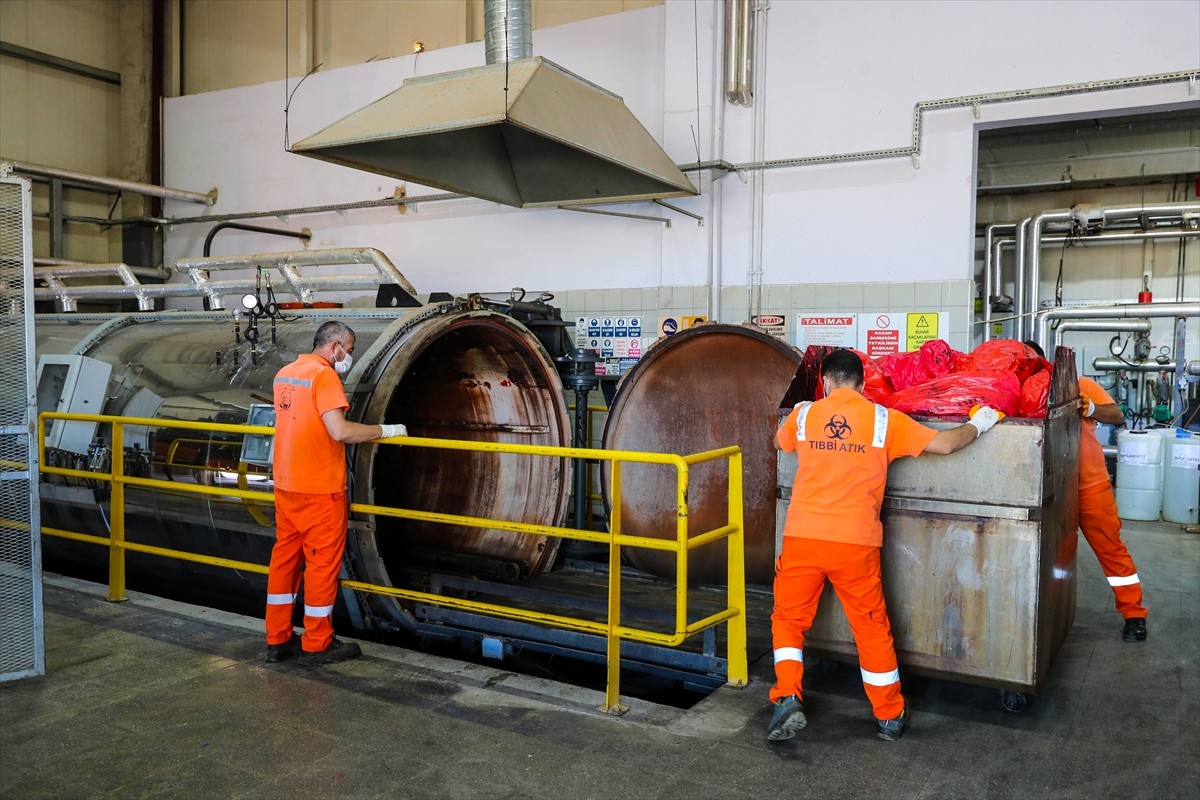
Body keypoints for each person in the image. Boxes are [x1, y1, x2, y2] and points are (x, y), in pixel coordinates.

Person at [768, 348, 1001, 743]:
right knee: (870, 628)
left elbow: (778, 443)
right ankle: (889, 715)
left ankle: (787, 696)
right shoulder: (882, 420)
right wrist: (979, 424)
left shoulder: (804, 414)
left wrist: (807, 417)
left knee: (788, 621)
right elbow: (944, 446)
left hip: (802, 536)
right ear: (862, 383)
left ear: (826, 381)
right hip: (854, 542)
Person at [265, 320, 408, 666]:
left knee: (284, 561)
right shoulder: (323, 375)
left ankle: (278, 639)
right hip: (319, 489)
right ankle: (317, 642)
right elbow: (339, 431)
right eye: (350, 349)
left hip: (287, 485)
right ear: (334, 346)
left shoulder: (286, 373)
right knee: (320, 566)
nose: (350, 357)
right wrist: (385, 431)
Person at [1023, 341, 1146, 642]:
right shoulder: (1019, 394)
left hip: (1089, 485)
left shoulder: (1081, 384)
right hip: (1048, 490)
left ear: (1045, 364)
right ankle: (1045, 618)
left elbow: (1116, 415)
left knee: (1110, 548)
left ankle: (1134, 614)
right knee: (1048, 556)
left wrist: (1090, 407)